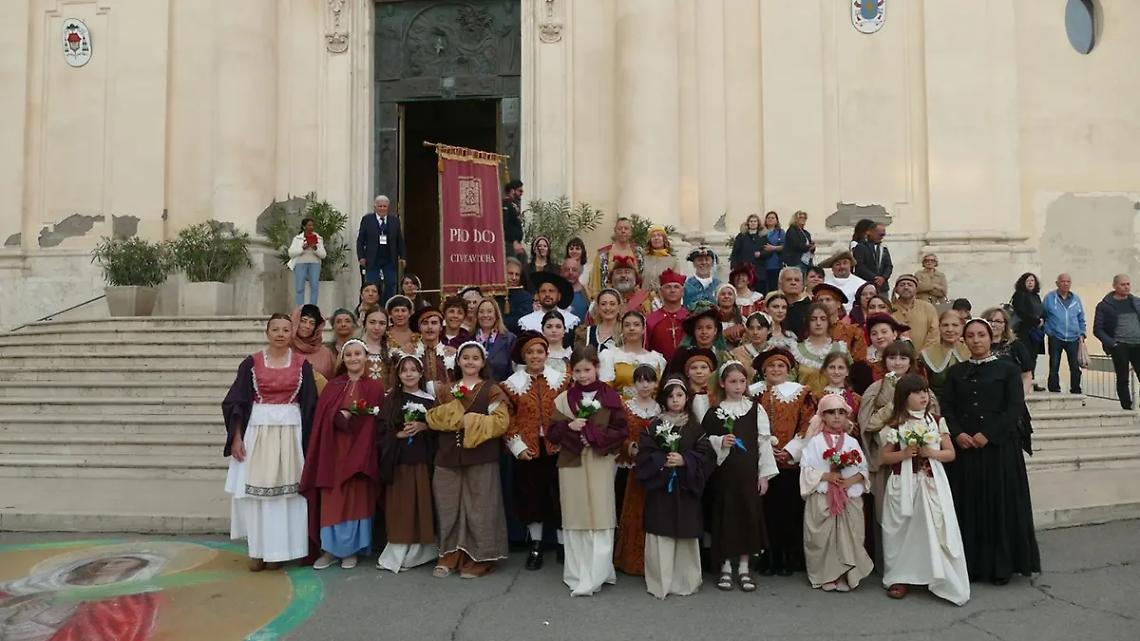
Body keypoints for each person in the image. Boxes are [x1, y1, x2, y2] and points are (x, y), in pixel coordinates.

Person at [942, 318, 1041, 585]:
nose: (976, 340)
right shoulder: (956, 372)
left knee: (999, 505)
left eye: (981, 335)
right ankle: (971, 564)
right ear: (964, 340)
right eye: (971, 336)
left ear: (990, 337)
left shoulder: (1008, 369)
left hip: (999, 450)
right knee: (970, 506)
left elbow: (1014, 407)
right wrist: (958, 433)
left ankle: (1001, 566)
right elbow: (947, 407)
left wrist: (989, 435)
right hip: (965, 451)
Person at [222, 314, 318, 571]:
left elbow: (310, 406)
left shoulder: (302, 364)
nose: (280, 334)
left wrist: (310, 445)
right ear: (267, 332)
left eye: (285, 329)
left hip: (291, 434)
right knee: (257, 495)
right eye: (275, 329)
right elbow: (237, 402)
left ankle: (280, 551)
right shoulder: (251, 364)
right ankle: (257, 550)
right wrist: (237, 437)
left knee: (286, 496)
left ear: (292, 334)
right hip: (258, 434)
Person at [876, 374, 969, 605]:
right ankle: (899, 576)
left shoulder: (937, 421)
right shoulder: (895, 424)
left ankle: (934, 572)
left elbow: (950, 453)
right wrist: (904, 454)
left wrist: (932, 453)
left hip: (930, 483)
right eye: (917, 393)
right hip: (902, 483)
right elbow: (884, 457)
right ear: (904, 397)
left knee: (933, 528)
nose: (923, 396)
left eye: (925, 392)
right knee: (901, 529)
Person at [548, 346, 628, 596]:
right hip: (571, 463)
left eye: (588, 370)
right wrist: (570, 427)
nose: (583, 375)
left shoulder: (610, 397)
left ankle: (599, 572)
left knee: (600, 514)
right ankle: (578, 572)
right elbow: (552, 432)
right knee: (576, 515)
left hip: (599, 461)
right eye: (578, 371)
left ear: (596, 368)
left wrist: (591, 436)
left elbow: (621, 430)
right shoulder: (563, 399)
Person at [426, 342, 511, 578]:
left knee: (480, 507)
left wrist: (470, 421)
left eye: (475, 358)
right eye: (466, 358)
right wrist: (454, 413)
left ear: (483, 363)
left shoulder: (491, 389)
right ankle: (450, 553)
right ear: (458, 361)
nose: (470, 362)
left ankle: (481, 556)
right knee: (448, 504)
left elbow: (500, 422)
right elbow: (432, 418)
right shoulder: (446, 390)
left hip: (480, 455)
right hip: (447, 454)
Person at [301, 339, 382, 570]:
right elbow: (322, 417)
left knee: (356, 499)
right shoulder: (333, 385)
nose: (354, 358)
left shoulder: (375, 386)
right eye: (349, 355)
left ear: (366, 357)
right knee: (333, 499)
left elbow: (376, 421)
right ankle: (329, 550)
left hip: (361, 449)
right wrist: (339, 415)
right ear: (342, 359)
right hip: (334, 451)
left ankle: (351, 550)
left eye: (358, 354)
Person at [636, 376, 715, 599]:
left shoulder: (695, 427)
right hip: (661, 491)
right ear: (664, 399)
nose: (675, 400)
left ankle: (685, 581)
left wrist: (684, 460)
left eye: (679, 395)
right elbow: (644, 455)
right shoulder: (654, 426)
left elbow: (706, 455)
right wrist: (662, 460)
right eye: (670, 396)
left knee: (685, 533)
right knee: (661, 532)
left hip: (685, 489)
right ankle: (662, 581)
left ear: (686, 398)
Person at [703, 362, 779, 593]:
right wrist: (719, 442)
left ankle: (744, 567)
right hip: (724, 476)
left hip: (747, 474)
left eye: (742, 381)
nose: (738, 386)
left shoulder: (755, 409)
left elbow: (763, 442)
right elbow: (704, 442)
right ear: (723, 383)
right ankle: (726, 566)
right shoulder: (715, 411)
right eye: (733, 381)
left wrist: (764, 476)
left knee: (747, 515)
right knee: (726, 517)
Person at [502, 331, 571, 571]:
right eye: (530, 352)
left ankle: (563, 545)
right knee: (532, 497)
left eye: (539, 352)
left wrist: (567, 438)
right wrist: (516, 446)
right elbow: (507, 419)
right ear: (523, 356)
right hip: (528, 449)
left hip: (558, 447)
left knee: (561, 496)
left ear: (546, 354)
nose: (535, 356)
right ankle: (536, 545)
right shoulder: (511, 385)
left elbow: (570, 411)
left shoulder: (562, 380)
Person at [798, 394, 873, 593]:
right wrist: (827, 477)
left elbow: (863, 468)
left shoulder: (851, 441)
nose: (837, 417)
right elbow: (806, 469)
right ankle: (826, 574)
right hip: (823, 497)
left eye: (841, 412)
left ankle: (845, 574)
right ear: (823, 416)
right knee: (823, 538)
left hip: (848, 498)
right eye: (831, 413)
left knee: (850, 536)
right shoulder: (814, 442)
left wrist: (850, 481)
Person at [752, 348, 814, 576]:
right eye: (771, 366)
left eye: (781, 366)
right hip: (762, 461)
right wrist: (766, 450)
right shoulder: (754, 394)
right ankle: (768, 555)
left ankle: (789, 556)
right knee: (766, 511)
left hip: (789, 463)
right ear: (763, 370)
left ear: (788, 370)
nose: (776, 370)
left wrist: (790, 451)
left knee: (788, 511)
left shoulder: (801, 393)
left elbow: (807, 424)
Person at [375, 353, 439, 573]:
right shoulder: (391, 399)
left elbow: (440, 429)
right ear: (398, 375)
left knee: (421, 503)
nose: (409, 374)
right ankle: (397, 552)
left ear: (421, 373)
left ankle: (419, 553)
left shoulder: (430, 401)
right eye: (404, 370)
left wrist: (424, 427)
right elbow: (381, 430)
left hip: (422, 460)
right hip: (399, 461)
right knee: (400, 506)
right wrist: (397, 436)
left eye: (413, 369)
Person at [614, 364, 662, 576]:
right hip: (631, 466)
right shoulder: (625, 407)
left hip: (653, 467)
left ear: (655, 384)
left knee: (651, 511)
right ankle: (628, 560)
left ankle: (651, 560)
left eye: (649, 380)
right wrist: (629, 447)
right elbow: (616, 434)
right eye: (640, 380)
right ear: (634, 383)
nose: (645, 385)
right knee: (631, 511)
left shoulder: (660, 408)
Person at [983, 307, 1035, 454]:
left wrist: (1019, 397)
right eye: (990, 320)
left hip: (1011, 403)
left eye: (998, 321)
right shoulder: (975, 345)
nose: (994, 324)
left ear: (1005, 324)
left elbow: (1027, 374)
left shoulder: (1016, 346)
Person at [1094, 274, 1140, 409]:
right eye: (1123, 284)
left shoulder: (1136, 302)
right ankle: (1127, 406)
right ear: (1114, 286)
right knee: (1123, 377)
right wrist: (1113, 344)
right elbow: (1098, 329)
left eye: (1128, 284)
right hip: (1120, 345)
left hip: (1138, 345)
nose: (1126, 287)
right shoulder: (1105, 305)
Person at [599, 310, 667, 399]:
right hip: (620, 409)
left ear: (643, 329)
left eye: (636, 324)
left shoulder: (656, 359)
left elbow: (660, 392)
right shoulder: (610, 356)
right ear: (622, 330)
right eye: (627, 325)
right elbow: (605, 390)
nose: (632, 328)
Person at [1041, 274, 1086, 395]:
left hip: (1074, 338)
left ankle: (1076, 389)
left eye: (1068, 281)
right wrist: (1049, 332)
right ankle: (1054, 389)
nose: (1065, 284)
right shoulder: (1049, 298)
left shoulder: (1076, 299)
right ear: (1057, 283)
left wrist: (1082, 333)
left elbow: (1081, 318)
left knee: (1075, 367)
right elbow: (1042, 317)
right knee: (1054, 364)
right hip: (1056, 337)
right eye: (1063, 281)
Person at [356, 195, 406, 301]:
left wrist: (402, 256)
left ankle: (387, 306)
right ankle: (373, 307)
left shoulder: (394, 220)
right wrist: (361, 257)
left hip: (389, 258)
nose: (382, 208)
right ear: (375, 207)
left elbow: (399, 240)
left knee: (391, 283)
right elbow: (360, 240)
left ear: (388, 207)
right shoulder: (367, 219)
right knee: (372, 285)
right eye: (380, 206)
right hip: (372, 258)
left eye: (384, 206)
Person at [793, 303, 849, 395]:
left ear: (828, 322)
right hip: (805, 405)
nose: (818, 323)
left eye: (823, 319)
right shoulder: (797, 350)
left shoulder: (840, 348)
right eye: (813, 319)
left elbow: (849, 381)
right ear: (807, 322)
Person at [921, 310, 971, 404]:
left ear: (962, 327)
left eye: (955, 325)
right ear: (939, 327)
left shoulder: (971, 351)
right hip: (936, 406)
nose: (950, 329)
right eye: (945, 325)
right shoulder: (927, 354)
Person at [589, 217, 643, 299]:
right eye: (620, 228)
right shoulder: (603, 254)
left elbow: (642, 277)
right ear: (615, 231)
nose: (623, 231)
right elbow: (595, 283)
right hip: (608, 302)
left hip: (634, 301)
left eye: (626, 228)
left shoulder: (639, 253)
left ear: (631, 232)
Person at [814, 283, 867, 361]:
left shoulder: (852, 332)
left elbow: (860, 360)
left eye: (828, 299)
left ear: (838, 304)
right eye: (820, 300)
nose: (824, 303)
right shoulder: (810, 331)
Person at [406, 306, 453, 395]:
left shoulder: (451, 354)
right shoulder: (410, 353)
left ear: (441, 327)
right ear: (419, 328)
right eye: (425, 323)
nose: (429, 327)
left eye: (434, 323)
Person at [1011, 272, 1046, 390]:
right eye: (1028, 281)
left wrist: (1042, 320)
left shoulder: (1036, 296)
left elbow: (1041, 311)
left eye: (1032, 281)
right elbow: (1021, 312)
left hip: (1036, 331)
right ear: (1023, 282)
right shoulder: (1019, 295)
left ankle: (1032, 380)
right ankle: (1022, 381)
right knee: (1024, 356)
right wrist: (1035, 321)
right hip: (1024, 330)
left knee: (1033, 356)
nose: (1030, 283)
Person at [518, 272, 580, 337]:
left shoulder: (572, 321)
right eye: (543, 291)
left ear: (559, 296)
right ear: (538, 296)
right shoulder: (526, 322)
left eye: (551, 291)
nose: (547, 294)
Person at [646, 269, 690, 361]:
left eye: (676, 287)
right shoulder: (651, 320)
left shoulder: (690, 317)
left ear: (682, 292)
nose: (672, 290)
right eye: (668, 287)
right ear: (661, 292)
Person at [471, 297, 516, 382]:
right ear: (476, 315)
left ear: (496, 315)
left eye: (489, 311)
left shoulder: (509, 339)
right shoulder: (469, 339)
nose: (485, 315)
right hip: (475, 391)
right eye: (481, 312)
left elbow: (514, 370)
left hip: (502, 390)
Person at [891, 274, 939, 351]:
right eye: (902, 285)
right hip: (897, 358)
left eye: (910, 285)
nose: (906, 287)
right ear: (896, 289)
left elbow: (934, 335)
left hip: (924, 358)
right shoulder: (889, 309)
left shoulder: (928, 308)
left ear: (916, 289)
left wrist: (923, 355)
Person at [288, 217, 327, 306]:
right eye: (309, 225)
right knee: (300, 287)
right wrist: (302, 248)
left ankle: (313, 307)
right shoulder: (297, 239)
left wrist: (315, 248)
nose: (311, 227)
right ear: (304, 226)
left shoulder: (318, 238)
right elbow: (291, 253)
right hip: (300, 263)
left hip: (314, 263)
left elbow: (323, 255)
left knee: (314, 286)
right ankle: (300, 308)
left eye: (312, 225)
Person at [292, 305, 335, 381]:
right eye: (303, 321)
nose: (307, 326)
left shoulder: (326, 354)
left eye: (312, 323)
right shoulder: (285, 350)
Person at [731, 213, 770, 293]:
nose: (753, 223)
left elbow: (768, 251)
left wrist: (761, 254)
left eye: (755, 221)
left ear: (758, 223)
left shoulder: (763, 237)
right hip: (744, 270)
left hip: (759, 271)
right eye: (751, 221)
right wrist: (734, 266)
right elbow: (735, 252)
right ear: (748, 223)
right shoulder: (741, 236)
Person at [852, 221, 892, 295]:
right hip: (867, 285)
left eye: (883, 235)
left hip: (882, 287)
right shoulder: (860, 247)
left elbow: (889, 266)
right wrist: (875, 278)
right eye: (879, 234)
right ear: (869, 232)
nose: (882, 237)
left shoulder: (883, 247)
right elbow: (860, 266)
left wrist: (883, 278)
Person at [730, 311, 773, 381]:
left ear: (769, 330)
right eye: (751, 328)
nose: (755, 332)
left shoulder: (775, 352)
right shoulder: (736, 354)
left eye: (759, 328)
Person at [642, 224, 679, 294]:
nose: (656, 238)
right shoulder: (644, 259)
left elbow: (676, 284)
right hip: (645, 299)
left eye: (659, 235)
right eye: (653, 236)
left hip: (664, 299)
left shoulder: (673, 261)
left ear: (664, 239)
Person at [500, 257, 534, 333]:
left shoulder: (526, 297)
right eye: (510, 274)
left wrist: (497, 323)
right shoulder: (494, 293)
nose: (514, 278)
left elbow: (521, 321)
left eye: (517, 275)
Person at [683, 246, 721, 310]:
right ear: (694, 264)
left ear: (712, 263)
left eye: (707, 260)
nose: (703, 263)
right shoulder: (686, 286)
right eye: (699, 260)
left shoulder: (719, 285)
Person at [778, 267, 811, 339]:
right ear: (780, 284)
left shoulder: (811, 308)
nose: (793, 283)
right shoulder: (774, 307)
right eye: (788, 280)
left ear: (802, 285)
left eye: (797, 280)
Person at [361, 308, 391, 385]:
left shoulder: (392, 351)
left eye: (382, 323)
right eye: (372, 322)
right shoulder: (353, 349)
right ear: (365, 324)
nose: (377, 327)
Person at [760, 211, 785, 295]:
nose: (770, 219)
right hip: (762, 264)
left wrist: (773, 248)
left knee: (773, 287)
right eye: (768, 218)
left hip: (775, 263)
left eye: (772, 218)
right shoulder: (761, 232)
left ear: (776, 221)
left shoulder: (780, 232)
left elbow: (785, 246)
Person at [502, 179, 526, 262]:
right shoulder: (506, 204)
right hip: (509, 245)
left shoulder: (514, 204)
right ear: (512, 190)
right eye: (520, 191)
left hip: (514, 244)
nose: (522, 193)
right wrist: (514, 242)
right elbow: (505, 224)